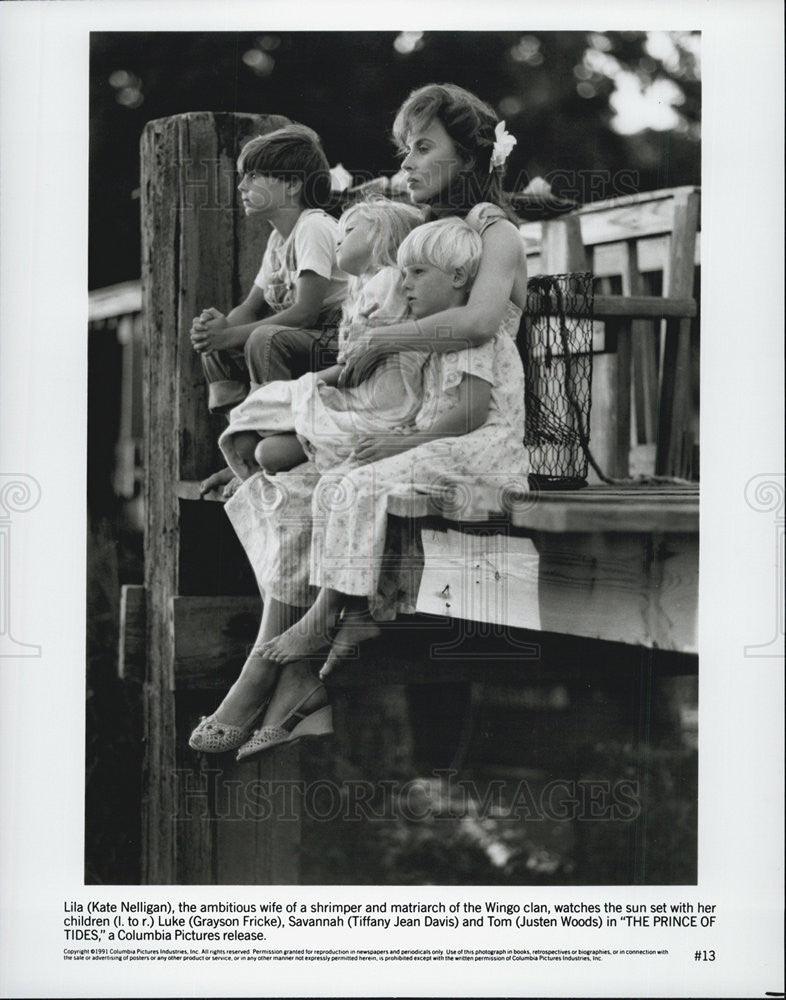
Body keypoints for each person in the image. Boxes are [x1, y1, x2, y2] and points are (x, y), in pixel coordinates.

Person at [189, 83, 530, 759]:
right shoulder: (426, 228)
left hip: (467, 430)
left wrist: (381, 342)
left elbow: (480, 322)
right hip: (420, 416)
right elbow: (364, 255)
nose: (410, 160)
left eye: (425, 146)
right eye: (405, 147)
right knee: (288, 491)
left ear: (469, 156)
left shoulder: (494, 230)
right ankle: (288, 682)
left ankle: (276, 669)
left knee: (339, 483)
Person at [216, 196, 425, 482]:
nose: (339, 240)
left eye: (349, 232)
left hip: (376, 405)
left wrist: (307, 386)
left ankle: (300, 449)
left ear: (381, 235)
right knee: (250, 437)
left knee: (264, 448)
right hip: (355, 392)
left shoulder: (387, 281)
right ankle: (279, 449)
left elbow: (357, 365)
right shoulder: (363, 288)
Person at [190, 123, 349, 495]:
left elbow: (305, 312)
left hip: (336, 341)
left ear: (291, 184)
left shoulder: (314, 228)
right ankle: (244, 451)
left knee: (264, 339)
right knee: (221, 349)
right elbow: (251, 306)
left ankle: (279, 449)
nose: (242, 186)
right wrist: (217, 331)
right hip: (304, 342)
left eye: (254, 176)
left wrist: (231, 333)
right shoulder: (278, 239)